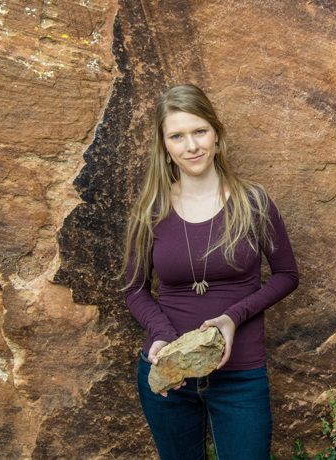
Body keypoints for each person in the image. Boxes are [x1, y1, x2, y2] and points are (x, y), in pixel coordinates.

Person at [121, 84, 299, 460]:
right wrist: (161, 337)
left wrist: (233, 318)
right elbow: (134, 289)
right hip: (169, 373)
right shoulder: (150, 209)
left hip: (240, 376)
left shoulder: (253, 202)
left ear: (217, 134)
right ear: (165, 146)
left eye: (200, 131)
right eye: (177, 136)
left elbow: (286, 274)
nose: (192, 146)